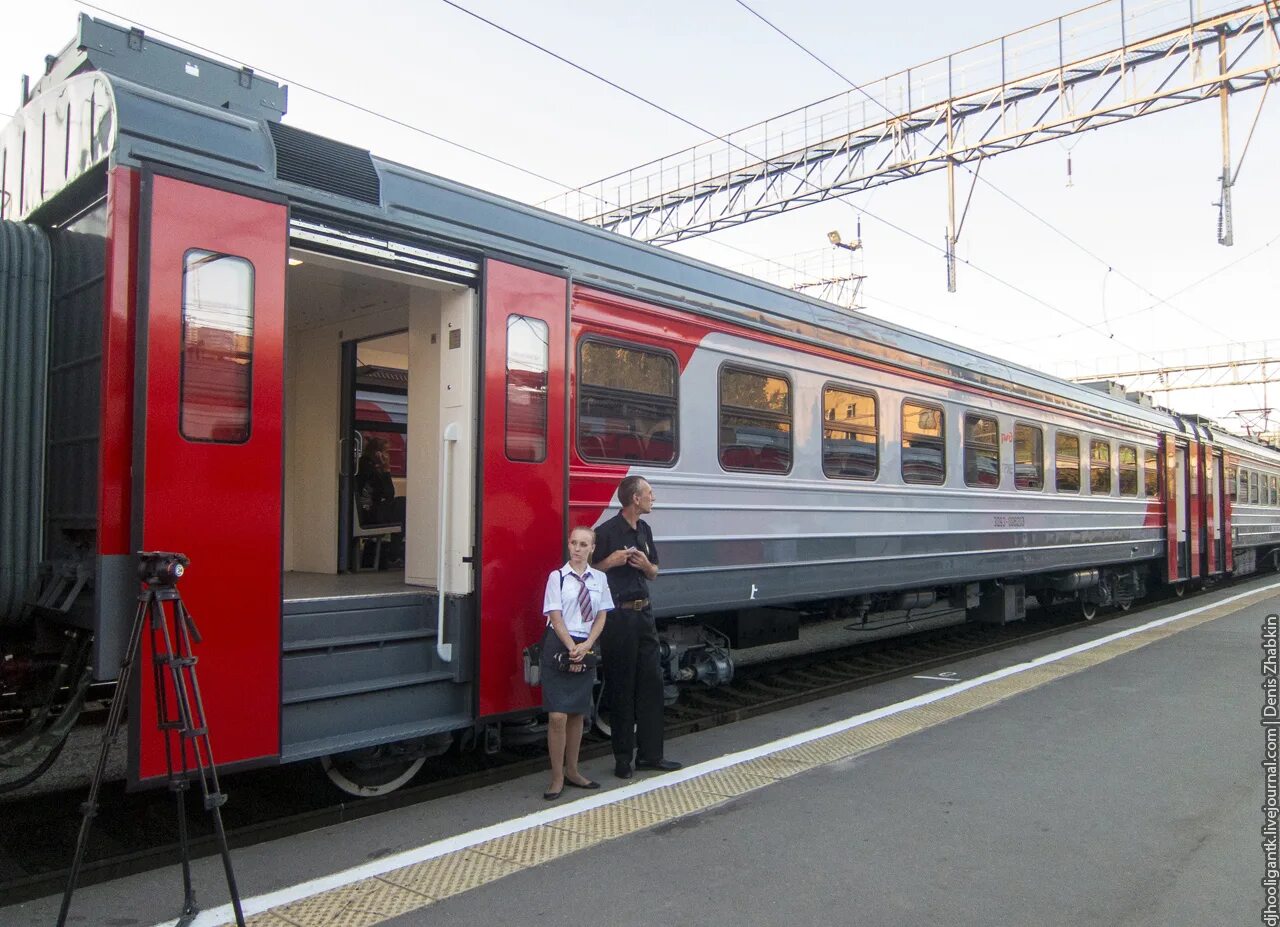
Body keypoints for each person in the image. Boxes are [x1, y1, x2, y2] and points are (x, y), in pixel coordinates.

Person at [593, 475, 682, 779]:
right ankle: (622, 760)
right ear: (635, 499)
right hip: (617, 619)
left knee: (651, 686)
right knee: (621, 687)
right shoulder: (604, 532)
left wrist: (645, 565)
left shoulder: (645, 529)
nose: (652, 498)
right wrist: (610, 562)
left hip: (644, 616)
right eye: (649, 493)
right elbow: (589, 573)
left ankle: (651, 755)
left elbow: (654, 573)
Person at [540, 526, 612, 800]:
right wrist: (573, 647)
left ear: (592, 548)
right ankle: (556, 776)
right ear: (569, 546)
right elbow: (555, 616)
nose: (578, 548)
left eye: (584, 544)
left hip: (586, 644)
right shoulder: (556, 578)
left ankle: (573, 770)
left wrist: (588, 645)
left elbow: (602, 615)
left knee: (577, 714)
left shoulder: (600, 579)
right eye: (574, 543)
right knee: (557, 715)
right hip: (560, 644)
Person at [355, 436, 405, 567]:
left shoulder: (364, 465)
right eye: (386, 452)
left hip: (368, 510)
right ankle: (394, 554)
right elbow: (389, 494)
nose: (388, 455)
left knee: (401, 506)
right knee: (403, 506)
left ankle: (395, 551)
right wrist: (386, 469)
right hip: (370, 513)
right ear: (377, 453)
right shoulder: (370, 470)